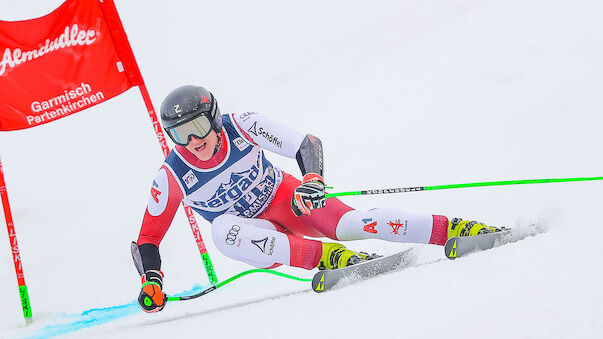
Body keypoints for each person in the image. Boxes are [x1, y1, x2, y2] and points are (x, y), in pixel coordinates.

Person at [133, 85, 504, 313]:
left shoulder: (241, 124)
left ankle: (453, 229)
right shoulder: (172, 175)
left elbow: (305, 143)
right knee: (223, 232)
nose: (194, 141)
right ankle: (326, 258)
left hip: (289, 200)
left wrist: (312, 179)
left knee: (353, 225)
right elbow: (148, 238)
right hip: (256, 235)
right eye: (180, 134)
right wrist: (152, 279)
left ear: (213, 119)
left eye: (198, 127)